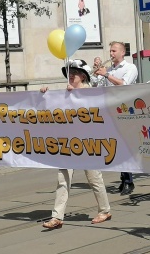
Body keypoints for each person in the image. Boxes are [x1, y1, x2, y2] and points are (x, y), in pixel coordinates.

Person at [41, 60, 112, 229]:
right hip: (68, 143)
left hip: (88, 142)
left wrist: (77, 97)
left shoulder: (91, 93)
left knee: (94, 178)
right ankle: (57, 216)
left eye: (75, 71)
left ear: (83, 76)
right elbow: (48, 109)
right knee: (62, 179)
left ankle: (105, 210)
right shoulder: (65, 93)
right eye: (69, 71)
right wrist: (44, 94)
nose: (71, 74)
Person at [94, 41, 138, 195]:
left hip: (125, 112)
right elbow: (99, 86)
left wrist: (106, 74)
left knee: (124, 147)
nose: (111, 54)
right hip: (111, 111)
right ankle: (123, 178)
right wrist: (97, 73)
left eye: (114, 51)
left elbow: (123, 84)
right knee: (116, 146)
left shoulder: (130, 68)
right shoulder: (110, 69)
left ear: (122, 53)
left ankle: (128, 181)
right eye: (110, 51)